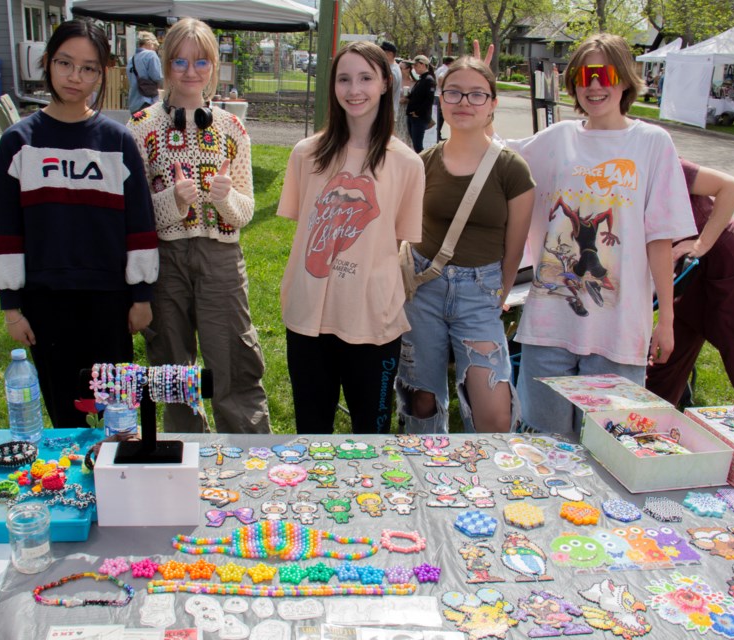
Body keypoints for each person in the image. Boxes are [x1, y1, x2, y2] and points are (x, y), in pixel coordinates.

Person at [507, 33, 696, 436]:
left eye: (605, 73)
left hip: (619, 328)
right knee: (547, 447)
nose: (594, 85)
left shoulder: (651, 143)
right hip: (550, 324)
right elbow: (497, 154)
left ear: (625, 79)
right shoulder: (559, 138)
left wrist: (667, 320)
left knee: (609, 448)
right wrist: (477, 88)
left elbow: (659, 237)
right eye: (584, 75)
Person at [0, 19, 159, 428]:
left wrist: (141, 295)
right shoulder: (19, 142)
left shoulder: (118, 141)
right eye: (65, 63)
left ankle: (121, 483)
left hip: (110, 300)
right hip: (46, 302)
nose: (75, 77)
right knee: (66, 415)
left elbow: (139, 224)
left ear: (102, 74)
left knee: (118, 412)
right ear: (47, 63)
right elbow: (5, 233)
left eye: (88, 68)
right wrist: (11, 308)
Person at [127, 17, 271, 434]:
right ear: (165, 64)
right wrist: (171, 202)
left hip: (220, 256)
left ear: (214, 67)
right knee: (171, 362)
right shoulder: (140, 128)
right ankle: (185, 453)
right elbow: (134, 217)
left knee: (233, 355)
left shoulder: (232, 129)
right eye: (180, 62)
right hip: (165, 258)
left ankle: (247, 454)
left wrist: (224, 197)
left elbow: (244, 213)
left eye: (202, 62)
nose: (191, 72)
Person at [277, 41, 425, 435]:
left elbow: (396, 242)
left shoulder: (407, 163)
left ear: (384, 85)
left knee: (372, 436)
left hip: (373, 319)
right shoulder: (306, 154)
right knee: (311, 431)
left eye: (365, 78)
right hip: (308, 316)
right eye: (344, 79)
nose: (354, 89)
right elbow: (305, 230)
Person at [396, 57, 535, 434]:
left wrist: (499, 293)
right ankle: (423, 478)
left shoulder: (512, 169)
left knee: (494, 413)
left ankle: (490, 485)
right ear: (441, 98)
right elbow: (401, 228)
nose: (464, 102)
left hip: (480, 293)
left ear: (492, 103)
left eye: (477, 94)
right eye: (454, 92)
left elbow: (516, 246)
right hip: (423, 290)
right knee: (420, 401)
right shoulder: (423, 162)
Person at [646, 160, 734, 406]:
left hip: (729, 265)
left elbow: (732, 187)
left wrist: (700, 244)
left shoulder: (656, 155)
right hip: (684, 276)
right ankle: (643, 435)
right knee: (661, 372)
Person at [127, 31, 163, 114]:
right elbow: (156, 76)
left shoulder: (131, 59)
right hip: (147, 100)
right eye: (154, 46)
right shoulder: (151, 55)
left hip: (134, 102)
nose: (154, 48)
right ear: (150, 43)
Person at [406, 55, 436, 152]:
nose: (414, 68)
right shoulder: (421, 79)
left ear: (423, 65)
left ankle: (424, 164)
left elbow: (429, 101)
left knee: (418, 146)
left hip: (419, 118)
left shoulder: (429, 80)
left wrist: (417, 113)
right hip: (412, 116)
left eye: (416, 65)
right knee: (415, 144)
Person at [381, 41, 402, 126]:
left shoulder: (392, 72)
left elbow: (384, 92)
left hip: (386, 111)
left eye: (382, 52)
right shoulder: (393, 68)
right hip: (388, 111)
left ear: (390, 54)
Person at [434, 56, 454, 141]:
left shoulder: (439, 69)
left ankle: (437, 134)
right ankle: (437, 134)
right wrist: (442, 88)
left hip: (436, 95)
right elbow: (441, 78)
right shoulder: (446, 70)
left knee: (437, 116)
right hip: (440, 95)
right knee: (441, 117)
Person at [395, 59, 414, 147]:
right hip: (397, 109)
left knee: (407, 132)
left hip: (408, 110)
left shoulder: (414, 82)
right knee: (397, 130)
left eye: (401, 68)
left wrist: (408, 99)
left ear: (408, 69)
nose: (399, 70)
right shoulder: (396, 81)